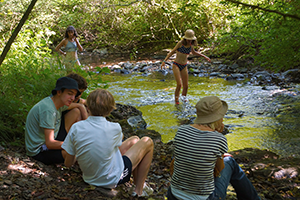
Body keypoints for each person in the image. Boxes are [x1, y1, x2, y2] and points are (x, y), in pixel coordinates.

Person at [62, 89, 154, 197]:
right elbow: (119, 140)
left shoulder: (76, 127)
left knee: (135, 140)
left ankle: (137, 183)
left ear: (88, 107)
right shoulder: (114, 128)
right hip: (112, 179)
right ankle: (139, 190)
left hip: (89, 178)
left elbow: (68, 163)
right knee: (148, 141)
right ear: (110, 110)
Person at [166, 96, 261, 200]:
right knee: (230, 161)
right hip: (206, 198)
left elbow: (181, 159)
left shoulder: (181, 131)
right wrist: (218, 149)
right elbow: (219, 169)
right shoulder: (218, 139)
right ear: (218, 118)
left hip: (174, 195)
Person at [25, 77, 88, 165]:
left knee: (76, 112)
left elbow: (79, 105)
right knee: (74, 153)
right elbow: (50, 143)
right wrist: (74, 145)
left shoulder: (57, 102)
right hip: (40, 150)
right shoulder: (48, 110)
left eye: (74, 95)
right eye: (70, 94)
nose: (73, 98)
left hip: (51, 138)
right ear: (59, 92)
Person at [161, 29, 211, 104]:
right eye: (188, 39)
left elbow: (194, 53)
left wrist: (204, 56)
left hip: (184, 66)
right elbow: (172, 51)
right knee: (179, 84)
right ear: (185, 38)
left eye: (191, 40)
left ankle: (183, 99)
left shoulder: (191, 46)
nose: (189, 41)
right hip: (176, 65)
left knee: (186, 86)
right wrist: (164, 61)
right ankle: (177, 101)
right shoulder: (180, 43)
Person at [58, 72, 88, 137]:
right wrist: (80, 106)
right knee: (76, 111)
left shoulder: (77, 100)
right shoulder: (62, 99)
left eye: (81, 92)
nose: (78, 96)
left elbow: (84, 102)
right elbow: (61, 106)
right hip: (60, 133)